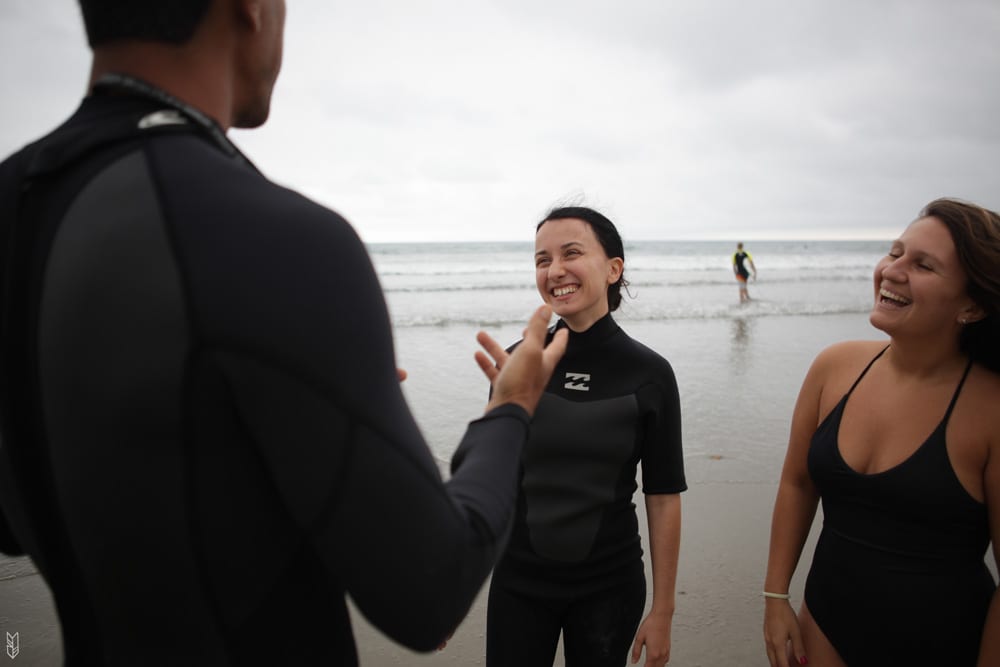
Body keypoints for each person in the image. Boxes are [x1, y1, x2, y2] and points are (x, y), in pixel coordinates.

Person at [0, 1, 569, 664]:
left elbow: (19, 521)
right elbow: (431, 588)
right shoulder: (281, 240)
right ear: (252, 8)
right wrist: (510, 409)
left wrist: (287, 419)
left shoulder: (16, 197)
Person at [762, 198, 1000, 667]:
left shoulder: (991, 408)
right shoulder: (835, 367)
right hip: (823, 626)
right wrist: (775, 596)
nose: (893, 271)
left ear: (970, 305)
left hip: (944, 644)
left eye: (923, 265)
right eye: (895, 253)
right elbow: (797, 482)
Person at [485, 207, 686, 667]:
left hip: (608, 586)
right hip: (519, 582)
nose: (555, 271)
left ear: (614, 268)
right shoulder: (518, 363)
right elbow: (491, 484)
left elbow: (663, 496)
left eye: (571, 253)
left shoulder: (650, 374)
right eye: (542, 259)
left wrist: (664, 610)